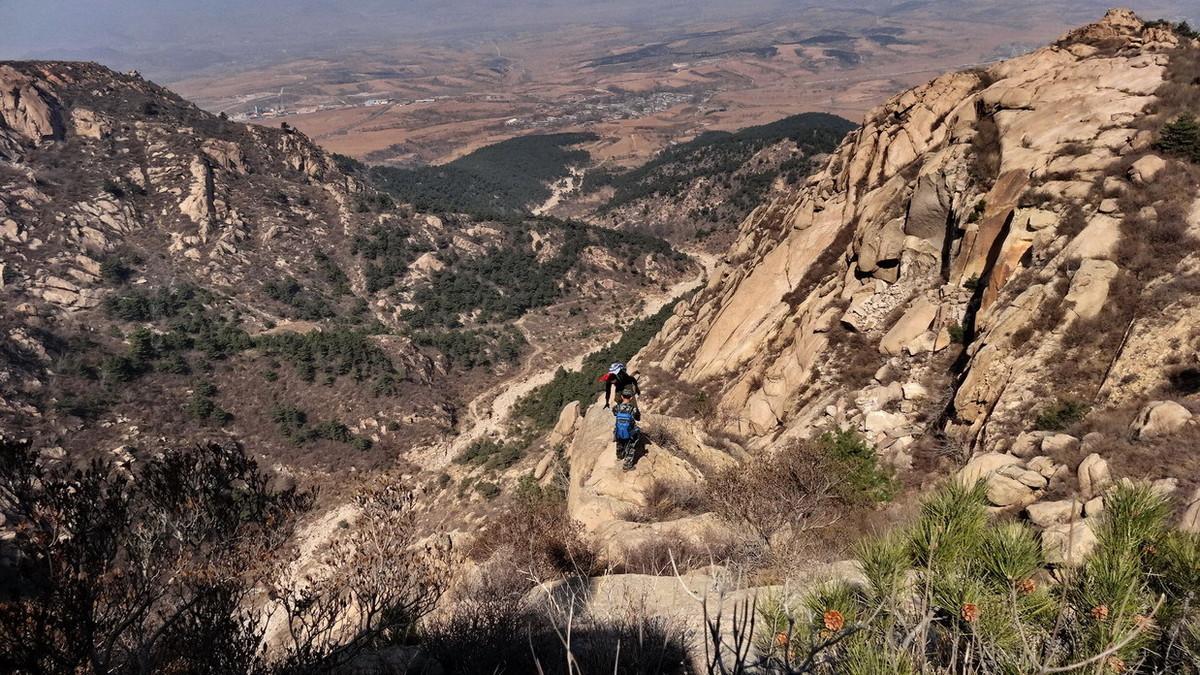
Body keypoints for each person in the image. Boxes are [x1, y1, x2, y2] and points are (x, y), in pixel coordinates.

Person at [612, 387, 640, 471]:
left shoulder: (617, 407)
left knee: (619, 441)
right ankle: (627, 465)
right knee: (631, 445)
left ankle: (620, 456)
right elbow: (636, 417)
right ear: (631, 398)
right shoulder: (633, 408)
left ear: (622, 397)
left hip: (619, 431)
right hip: (629, 431)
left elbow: (614, 413)